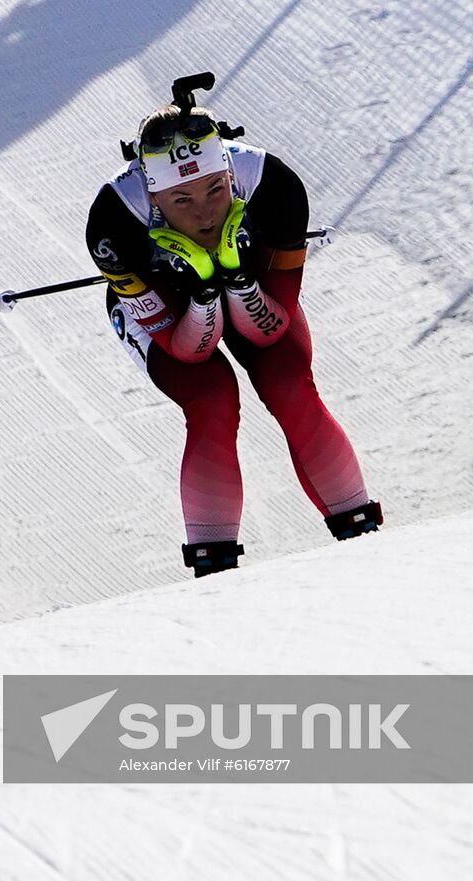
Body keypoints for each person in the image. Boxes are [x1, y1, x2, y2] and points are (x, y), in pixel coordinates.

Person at [85, 90, 382, 577]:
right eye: (181, 200)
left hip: (249, 276)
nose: (204, 214)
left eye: (215, 191)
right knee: (212, 397)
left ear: (229, 173)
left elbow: (271, 331)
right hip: (162, 295)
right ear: (153, 195)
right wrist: (204, 299)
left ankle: (360, 532)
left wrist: (237, 286)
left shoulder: (274, 185)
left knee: (288, 381)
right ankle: (214, 568)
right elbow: (186, 351)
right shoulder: (113, 222)